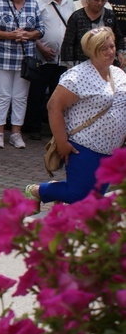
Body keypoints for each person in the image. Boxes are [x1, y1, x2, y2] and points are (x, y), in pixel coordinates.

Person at [26, 28, 126, 205]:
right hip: (85, 145)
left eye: (112, 46)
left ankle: (60, 194)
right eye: (104, 48)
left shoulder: (118, 73)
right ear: (93, 50)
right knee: (79, 197)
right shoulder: (77, 76)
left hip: (112, 148)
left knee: (95, 196)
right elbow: (54, 107)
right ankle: (37, 191)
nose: (111, 52)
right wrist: (62, 142)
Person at [0, 0, 45, 149]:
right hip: (3, 56)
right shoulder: (0, 5)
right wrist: (9, 35)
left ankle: (16, 133)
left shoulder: (33, 5)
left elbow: (41, 29)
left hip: (25, 58)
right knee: (2, 96)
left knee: (20, 96)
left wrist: (29, 34)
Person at [25, 0, 74, 140]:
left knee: (57, 95)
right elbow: (30, 28)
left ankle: (55, 128)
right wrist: (41, 47)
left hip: (62, 58)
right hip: (42, 57)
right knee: (37, 94)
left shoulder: (69, 2)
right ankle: (34, 127)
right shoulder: (38, 2)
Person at [62, 0, 124, 68]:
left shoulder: (110, 15)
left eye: (103, 0)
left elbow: (119, 37)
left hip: (106, 62)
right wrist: (69, 65)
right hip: (81, 63)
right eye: (96, 0)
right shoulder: (77, 16)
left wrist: (120, 52)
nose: (100, 3)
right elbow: (68, 43)